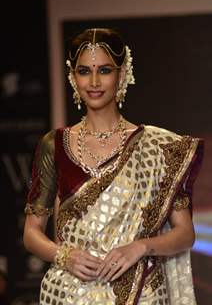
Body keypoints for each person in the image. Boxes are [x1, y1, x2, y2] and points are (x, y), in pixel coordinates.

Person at [23, 28, 203, 304]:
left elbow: (185, 233)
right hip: (70, 294)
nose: (94, 82)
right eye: (84, 71)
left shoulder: (159, 147)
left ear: (122, 73)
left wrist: (141, 247)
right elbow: (32, 233)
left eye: (104, 70)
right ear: (73, 78)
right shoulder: (54, 144)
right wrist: (65, 255)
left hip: (141, 292)